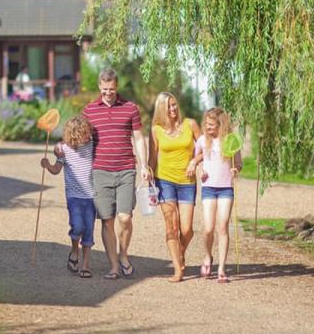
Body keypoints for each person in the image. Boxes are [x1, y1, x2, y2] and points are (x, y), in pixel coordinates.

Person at [83, 68, 151, 280]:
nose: (108, 93)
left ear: (117, 86)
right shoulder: (90, 110)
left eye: (111, 89)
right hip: (100, 171)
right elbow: (83, 141)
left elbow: (139, 138)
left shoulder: (130, 108)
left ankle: (123, 254)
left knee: (125, 217)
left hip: (125, 169)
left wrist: (144, 165)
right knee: (107, 220)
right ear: (99, 87)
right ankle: (113, 266)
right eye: (104, 90)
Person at [148, 92, 201, 282]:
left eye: (174, 105)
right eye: (169, 106)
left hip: (187, 182)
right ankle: (178, 270)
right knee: (171, 225)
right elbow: (152, 158)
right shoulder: (156, 130)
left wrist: (194, 161)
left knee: (186, 229)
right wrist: (149, 176)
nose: (173, 109)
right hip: (165, 181)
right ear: (161, 109)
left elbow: (206, 147)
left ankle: (179, 253)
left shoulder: (191, 125)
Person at [190, 107, 242, 283]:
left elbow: (239, 163)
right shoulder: (203, 140)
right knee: (208, 228)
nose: (207, 127)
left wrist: (236, 169)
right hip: (209, 187)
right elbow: (197, 160)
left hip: (226, 188)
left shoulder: (231, 141)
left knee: (223, 226)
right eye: (206, 124)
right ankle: (207, 256)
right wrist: (200, 170)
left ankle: (221, 269)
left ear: (221, 125)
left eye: (211, 124)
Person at [40, 114, 95, 278]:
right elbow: (57, 169)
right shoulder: (63, 150)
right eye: (84, 133)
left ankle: (85, 265)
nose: (88, 136)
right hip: (74, 196)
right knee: (77, 226)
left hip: (91, 196)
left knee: (89, 230)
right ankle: (73, 251)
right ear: (75, 134)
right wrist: (48, 165)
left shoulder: (91, 145)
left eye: (88, 132)